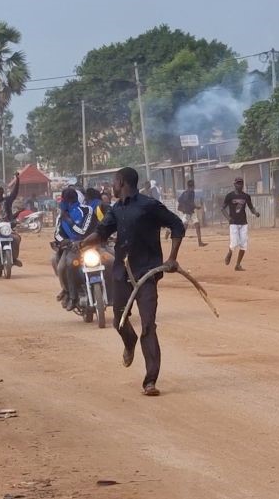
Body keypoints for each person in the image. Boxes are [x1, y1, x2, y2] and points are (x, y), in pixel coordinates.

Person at [81, 167, 184, 397]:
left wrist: (172, 258)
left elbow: (177, 225)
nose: (111, 187)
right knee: (119, 321)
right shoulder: (116, 209)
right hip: (122, 274)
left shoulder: (149, 206)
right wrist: (83, 242)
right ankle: (129, 342)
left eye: (113, 182)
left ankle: (150, 381)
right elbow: (102, 232)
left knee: (148, 324)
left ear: (122, 182)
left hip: (146, 274)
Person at [53, 188, 96, 310]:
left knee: (110, 261)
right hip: (71, 248)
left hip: (89, 244)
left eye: (63, 201)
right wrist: (63, 241)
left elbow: (83, 231)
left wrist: (69, 221)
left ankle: (113, 294)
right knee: (64, 266)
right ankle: (71, 295)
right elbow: (57, 234)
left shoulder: (86, 210)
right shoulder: (60, 216)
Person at [222, 177, 260, 271]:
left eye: (241, 183)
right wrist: (228, 218)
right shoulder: (229, 196)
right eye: (238, 183)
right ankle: (229, 253)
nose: (240, 185)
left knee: (244, 244)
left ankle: (238, 265)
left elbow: (251, 207)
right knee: (234, 242)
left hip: (243, 223)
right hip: (234, 223)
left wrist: (255, 213)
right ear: (234, 184)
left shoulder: (246, 196)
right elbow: (222, 208)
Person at [177, 180, 207, 247]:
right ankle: (171, 232)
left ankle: (200, 242)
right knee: (184, 228)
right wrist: (196, 206)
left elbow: (180, 200)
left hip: (191, 211)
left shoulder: (186, 192)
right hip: (188, 212)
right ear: (193, 186)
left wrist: (192, 206)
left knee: (197, 225)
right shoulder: (190, 192)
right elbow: (189, 202)